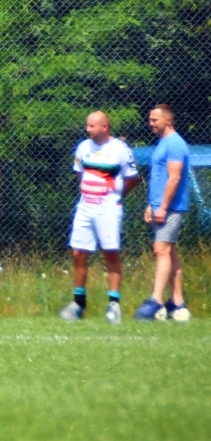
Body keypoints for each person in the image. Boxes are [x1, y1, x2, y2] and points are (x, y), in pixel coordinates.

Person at [62, 110, 140, 324]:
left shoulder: (120, 149)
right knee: (78, 252)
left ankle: (114, 305)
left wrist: (114, 197)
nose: (87, 129)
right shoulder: (83, 147)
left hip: (109, 210)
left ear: (104, 127)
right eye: (87, 125)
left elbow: (132, 179)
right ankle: (78, 303)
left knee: (110, 253)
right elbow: (80, 174)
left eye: (92, 126)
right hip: (85, 207)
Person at [137, 105, 192, 322]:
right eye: (150, 120)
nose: (150, 123)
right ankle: (177, 302)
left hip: (172, 207)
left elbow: (174, 178)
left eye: (154, 120)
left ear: (168, 120)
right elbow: (159, 178)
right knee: (169, 251)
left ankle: (156, 300)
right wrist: (152, 205)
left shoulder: (175, 144)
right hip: (161, 206)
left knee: (161, 250)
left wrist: (163, 207)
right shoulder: (162, 143)